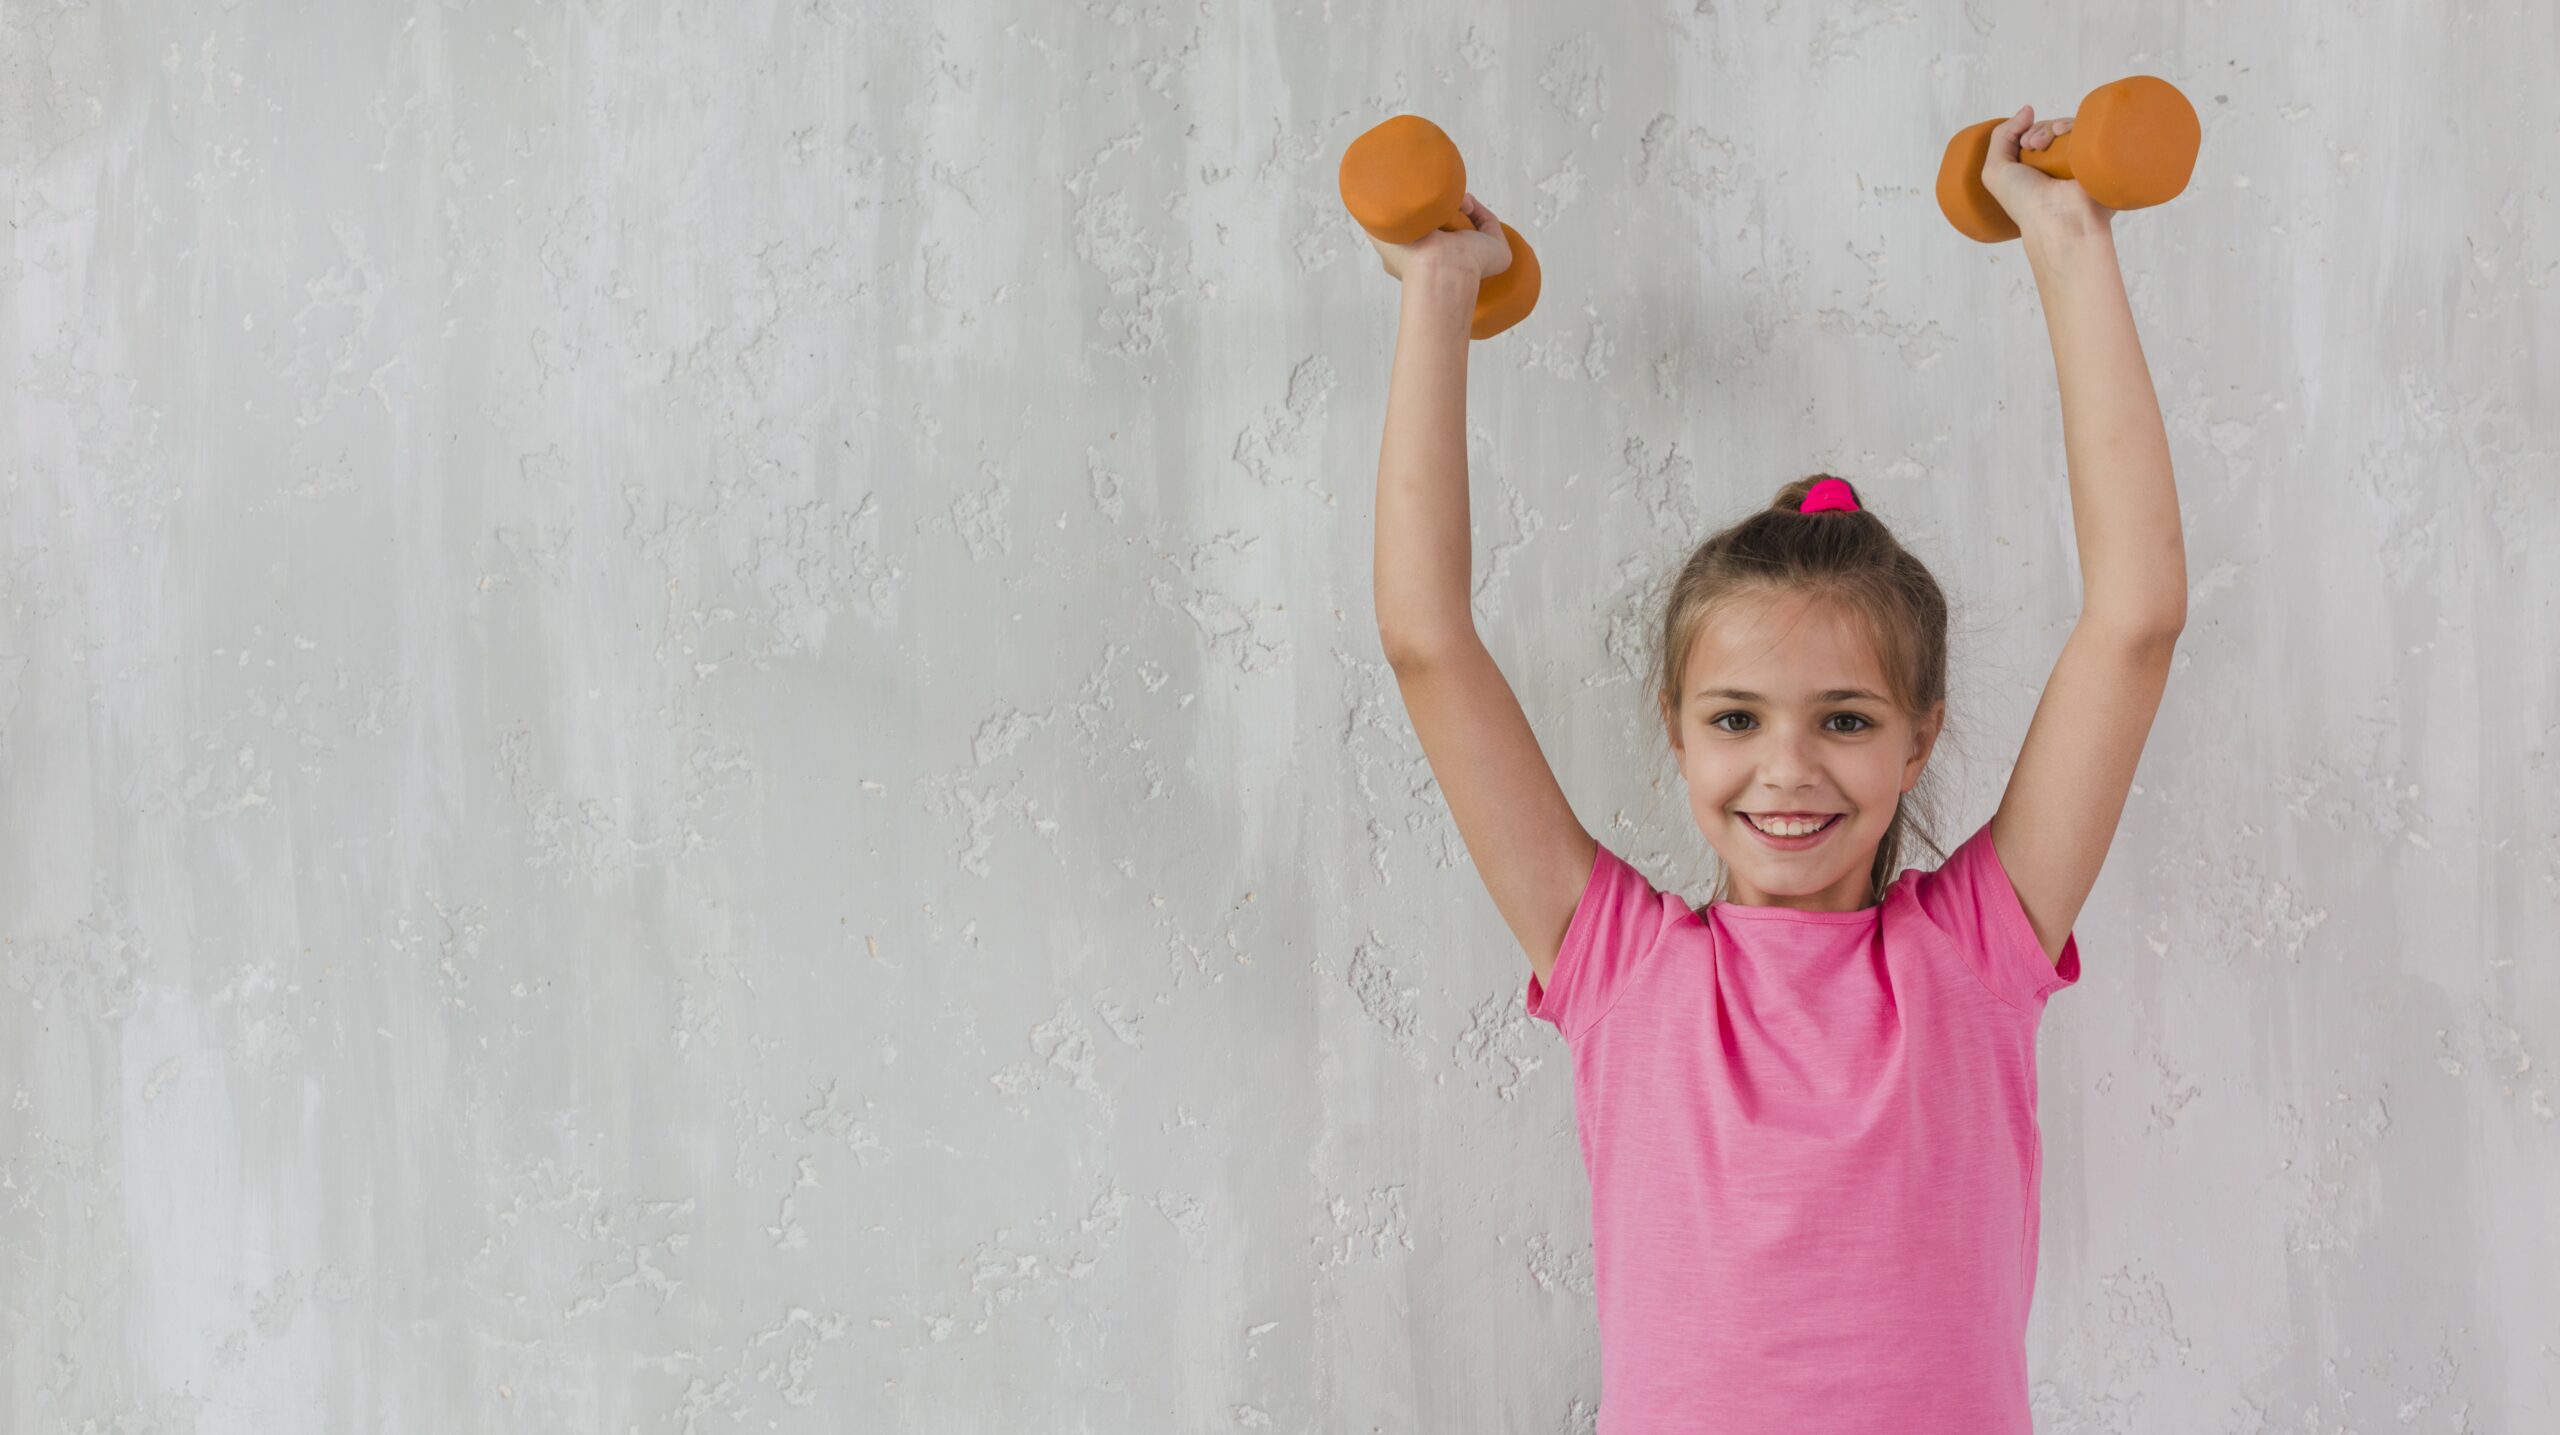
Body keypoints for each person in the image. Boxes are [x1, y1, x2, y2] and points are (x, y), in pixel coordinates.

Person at [1365, 107, 2186, 1433]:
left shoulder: (1977, 949)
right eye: (1737, 720)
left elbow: (2136, 618)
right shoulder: (1621, 966)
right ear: (1677, 729)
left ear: (1922, 733)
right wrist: (1438, 293)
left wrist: (2068, 235)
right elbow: (1426, 640)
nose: (1788, 769)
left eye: (1847, 721)